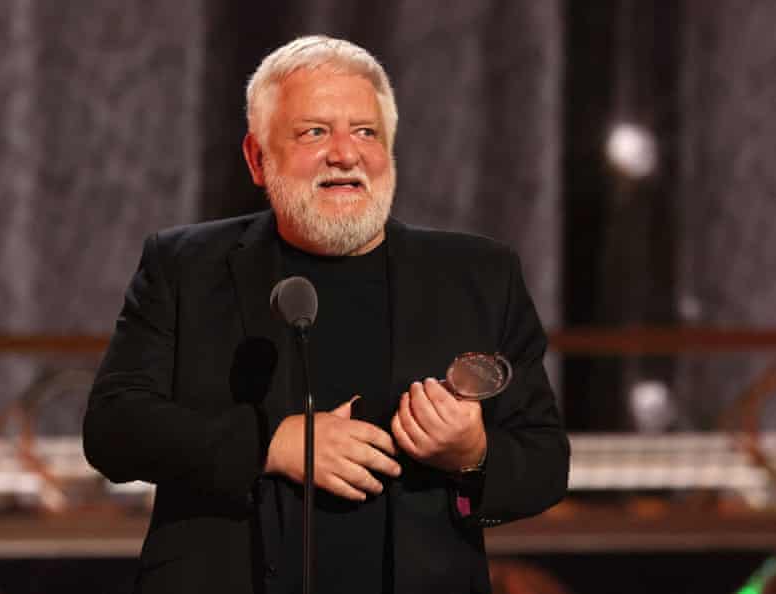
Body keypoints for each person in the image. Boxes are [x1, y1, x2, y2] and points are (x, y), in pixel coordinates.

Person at [83, 35, 570, 594]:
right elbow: (115, 429)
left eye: (366, 132)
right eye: (315, 132)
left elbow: (544, 464)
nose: (346, 153)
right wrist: (272, 444)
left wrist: (472, 454)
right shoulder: (186, 266)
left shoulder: (480, 273)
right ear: (257, 158)